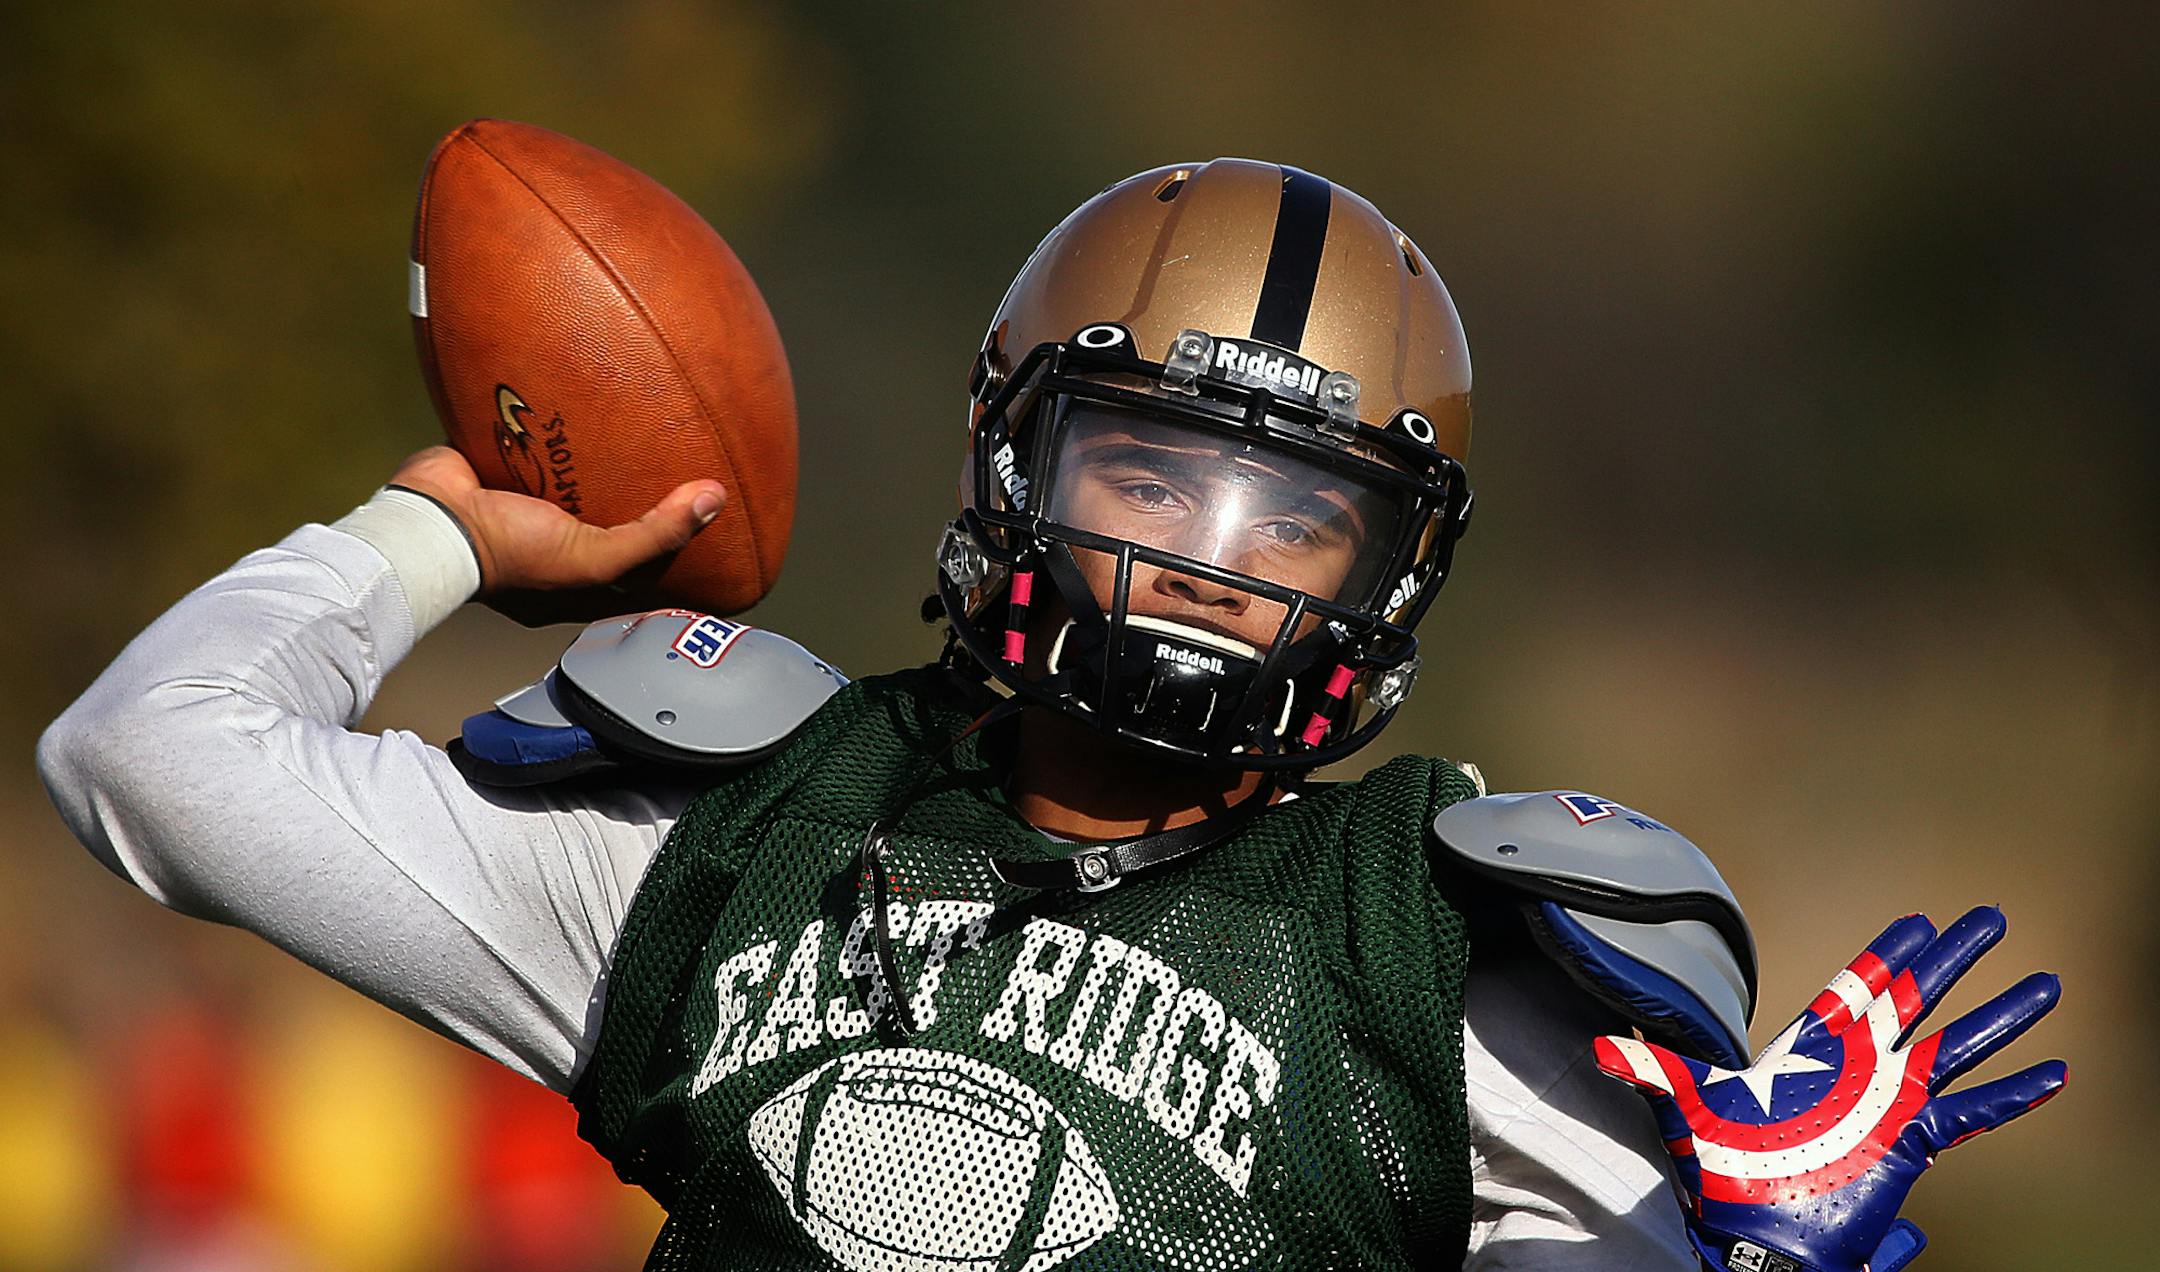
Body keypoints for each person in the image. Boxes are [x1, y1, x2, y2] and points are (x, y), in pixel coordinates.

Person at [39, 159, 2062, 1271]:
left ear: (1393, 577)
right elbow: (148, 754)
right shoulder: (731, 829)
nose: (1208, 558)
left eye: (1300, 519)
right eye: (1149, 476)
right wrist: (436, 535)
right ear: (1011, 466)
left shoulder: (1440, 961)